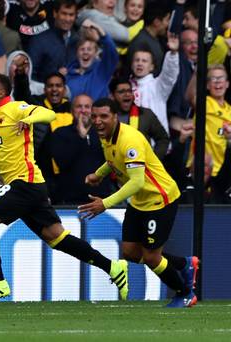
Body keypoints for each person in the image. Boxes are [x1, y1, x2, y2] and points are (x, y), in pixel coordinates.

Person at [0, 72, 129, 304]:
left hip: (24, 183)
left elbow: (48, 114)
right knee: (57, 238)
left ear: (0, 92)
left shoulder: (17, 108)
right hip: (31, 187)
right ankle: (113, 266)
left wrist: (28, 119)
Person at [79, 98, 198, 308]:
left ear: (115, 117)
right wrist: (98, 174)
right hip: (139, 201)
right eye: (94, 116)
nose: (97, 121)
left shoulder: (129, 139)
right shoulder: (106, 135)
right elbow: (113, 160)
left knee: (152, 257)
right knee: (131, 253)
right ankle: (184, 264)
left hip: (159, 200)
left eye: (103, 116)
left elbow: (137, 180)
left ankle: (185, 293)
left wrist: (105, 204)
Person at [49, 94, 110, 204]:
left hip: (101, 198)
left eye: (87, 107)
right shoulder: (60, 133)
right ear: (72, 111)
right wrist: (81, 138)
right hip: (69, 200)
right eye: (79, 107)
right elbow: (62, 163)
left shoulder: (104, 133)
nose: (83, 110)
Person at [186, 65, 231, 203]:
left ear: (227, 84)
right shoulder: (205, 103)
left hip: (222, 173)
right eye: (213, 79)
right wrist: (197, 72)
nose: (217, 82)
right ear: (207, 85)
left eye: (220, 78)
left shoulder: (230, 110)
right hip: (201, 170)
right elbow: (190, 96)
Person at [130, 33, 180, 134]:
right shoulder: (125, 87)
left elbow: (169, 75)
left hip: (155, 144)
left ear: (152, 66)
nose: (140, 63)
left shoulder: (158, 86)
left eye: (144, 61)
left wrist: (173, 53)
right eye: (137, 60)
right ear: (132, 64)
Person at [110, 77, 169, 160]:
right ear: (112, 96)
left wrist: (153, 160)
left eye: (129, 91)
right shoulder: (106, 117)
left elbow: (163, 139)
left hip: (142, 168)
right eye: (121, 92)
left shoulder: (146, 115)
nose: (127, 94)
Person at [65, 20, 118, 102]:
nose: (85, 52)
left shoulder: (102, 71)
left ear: (96, 53)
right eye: (82, 49)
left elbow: (112, 53)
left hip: (97, 114)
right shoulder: (68, 75)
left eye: (89, 49)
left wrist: (99, 30)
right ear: (76, 53)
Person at [26, 0, 78, 83]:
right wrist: (54, 77)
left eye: (71, 15)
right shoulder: (39, 40)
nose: (67, 19)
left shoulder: (79, 40)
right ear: (55, 13)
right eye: (64, 14)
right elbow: (31, 74)